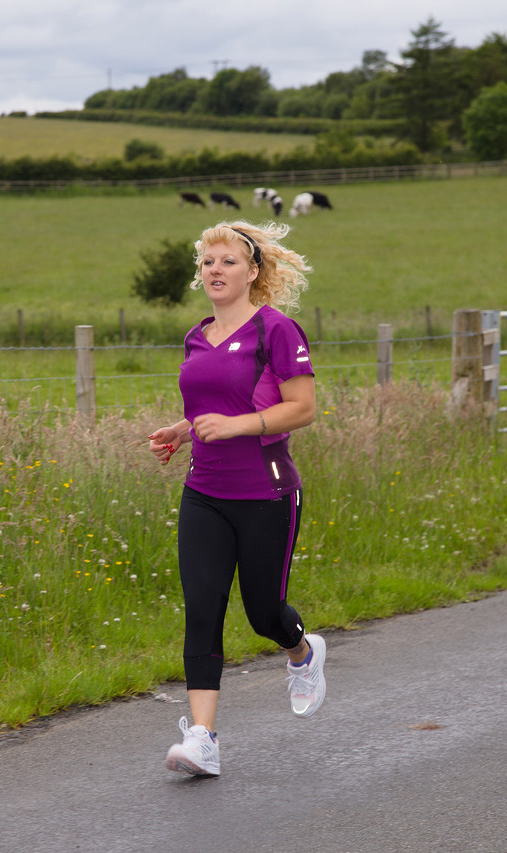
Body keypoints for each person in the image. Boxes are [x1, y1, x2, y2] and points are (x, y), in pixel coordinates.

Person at [147, 220, 326, 778]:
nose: (216, 270)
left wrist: (236, 426)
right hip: (204, 492)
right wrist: (182, 431)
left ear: (252, 272)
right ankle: (202, 738)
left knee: (263, 613)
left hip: (266, 491)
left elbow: (302, 408)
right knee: (202, 609)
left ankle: (302, 651)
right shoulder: (197, 336)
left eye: (228, 261)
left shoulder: (277, 330)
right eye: (208, 262)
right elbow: (214, 407)